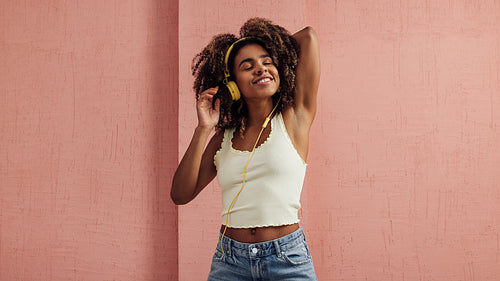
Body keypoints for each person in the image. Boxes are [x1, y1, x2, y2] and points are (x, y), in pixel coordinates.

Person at [171, 17, 320, 280]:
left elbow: (307, 37)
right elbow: (180, 194)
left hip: (286, 258)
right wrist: (203, 128)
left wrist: (278, 53)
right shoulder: (223, 138)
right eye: (248, 66)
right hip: (230, 261)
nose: (261, 69)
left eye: (267, 62)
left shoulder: (295, 117)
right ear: (232, 83)